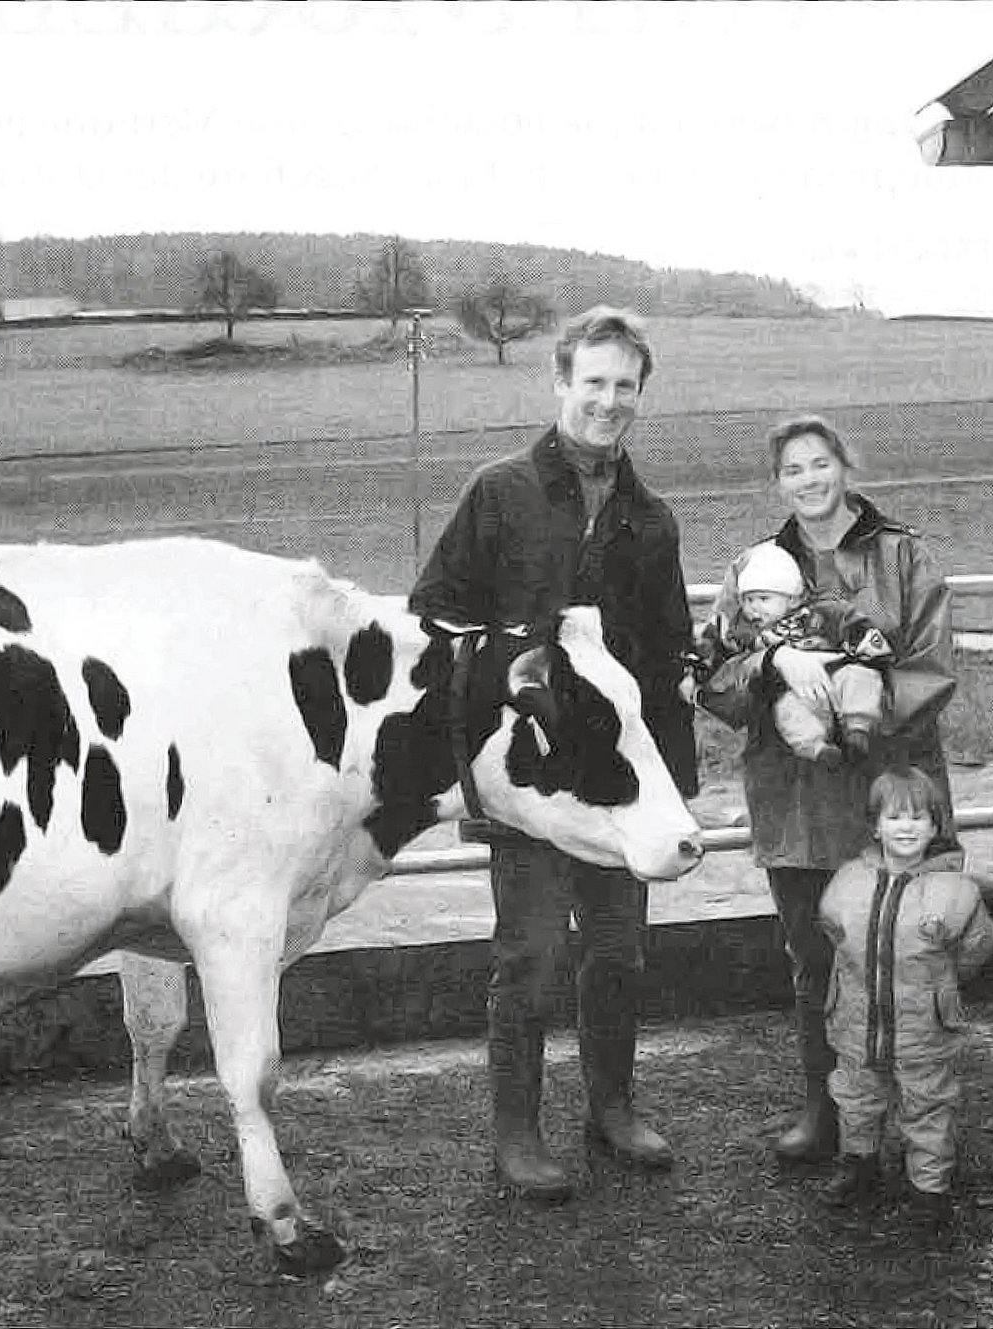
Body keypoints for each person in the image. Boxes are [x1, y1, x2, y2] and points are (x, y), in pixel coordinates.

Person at [409, 306, 699, 1200]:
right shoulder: (500, 491)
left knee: (618, 951)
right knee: (529, 955)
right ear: (560, 382)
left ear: (640, 394)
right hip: (533, 782)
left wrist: (672, 786)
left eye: (625, 386)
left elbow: (664, 656)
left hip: (618, 789)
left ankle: (612, 1108)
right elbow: (436, 612)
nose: (608, 401)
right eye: (593, 382)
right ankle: (518, 1132)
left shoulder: (651, 520)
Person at [697, 414, 957, 1164]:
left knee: (908, 955)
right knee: (815, 957)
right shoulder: (754, 566)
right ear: (776, 481)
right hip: (795, 797)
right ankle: (828, 1111)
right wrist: (773, 669)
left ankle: (916, 1119)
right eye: (792, 470)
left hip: (892, 792)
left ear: (845, 465)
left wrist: (853, 690)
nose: (808, 480)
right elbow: (714, 677)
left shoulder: (904, 555)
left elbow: (932, 668)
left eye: (820, 464)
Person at [819, 767, 993, 1221]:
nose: (907, 827)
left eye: (919, 818)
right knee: (856, 1096)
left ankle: (929, 1189)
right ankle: (859, 1167)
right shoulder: (847, 881)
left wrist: (940, 989)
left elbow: (975, 949)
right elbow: (834, 931)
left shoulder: (956, 891)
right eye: (895, 817)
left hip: (924, 1028)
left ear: (937, 827)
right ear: (875, 825)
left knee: (928, 1103)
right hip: (857, 1023)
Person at [686, 540, 893, 768]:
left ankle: (857, 730)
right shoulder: (747, 634)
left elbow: (858, 629)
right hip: (795, 694)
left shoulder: (824, 614)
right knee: (788, 711)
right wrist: (698, 667)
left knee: (860, 678)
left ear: (792, 598)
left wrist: (859, 655)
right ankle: (818, 750)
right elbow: (717, 658)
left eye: (764, 599)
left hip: (837, 676)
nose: (754, 608)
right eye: (747, 600)